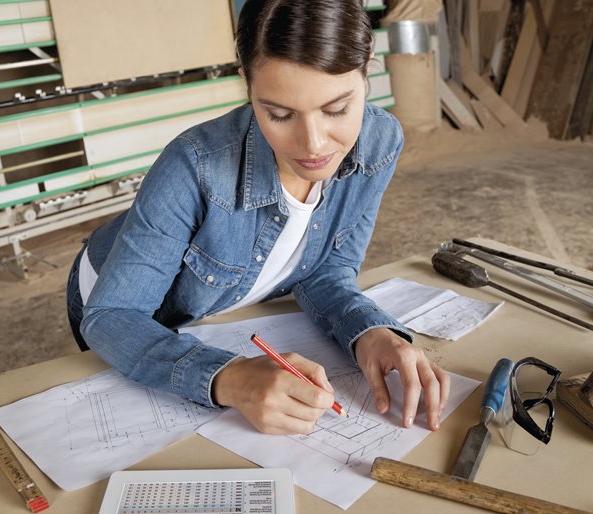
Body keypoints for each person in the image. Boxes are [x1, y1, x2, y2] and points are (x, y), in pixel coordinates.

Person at [66, 0, 450, 436]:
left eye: (337, 109)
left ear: (367, 68)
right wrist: (229, 378)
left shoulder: (381, 142)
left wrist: (371, 332)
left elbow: (327, 271)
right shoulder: (194, 165)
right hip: (113, 296)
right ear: (245, 82)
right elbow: (114, 314)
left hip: (231, 303)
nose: (313, 144)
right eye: (280, 114)